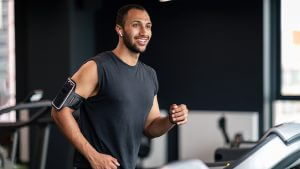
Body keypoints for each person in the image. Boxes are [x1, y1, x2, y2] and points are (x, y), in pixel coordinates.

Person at [51, 4, 189, 169]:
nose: (144, 32)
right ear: (120, 30)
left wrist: (171, 120)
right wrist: (93, 156)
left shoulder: (150, 75)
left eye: (148, 26)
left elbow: (150, 127)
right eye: (136, 25)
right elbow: (59, 111)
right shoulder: (96, 68)